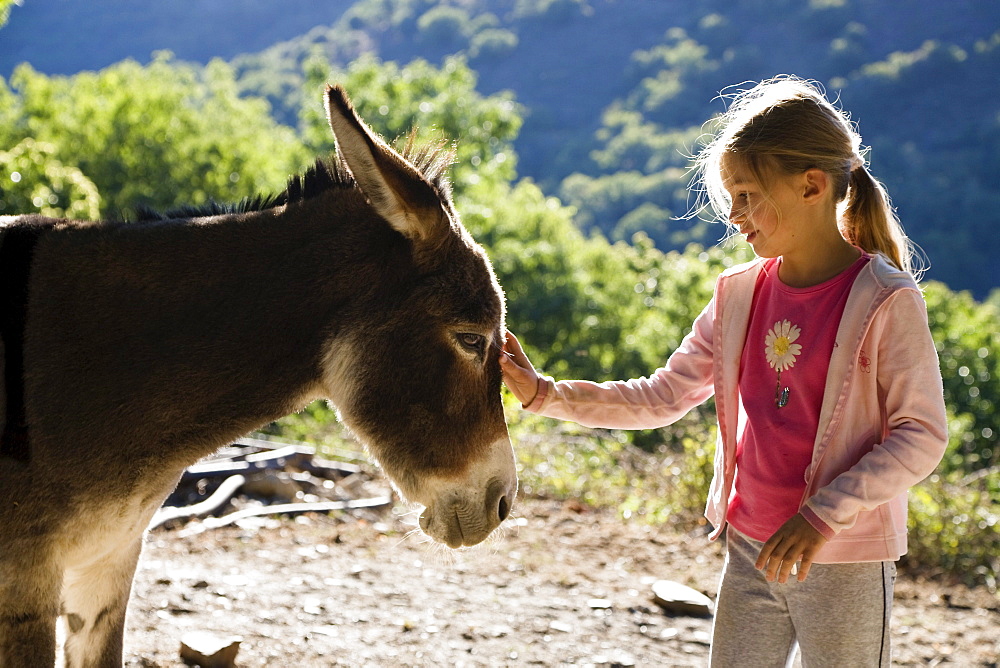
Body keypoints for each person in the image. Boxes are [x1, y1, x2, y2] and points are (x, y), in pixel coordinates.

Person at [500, 77, 947, 667]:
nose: (734, 216)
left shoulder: (886, 301)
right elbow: (661, 396)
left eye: (745, 195)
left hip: (845, 560)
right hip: (749, 551)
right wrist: (546, 395)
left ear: (811, 186)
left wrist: (820, 516)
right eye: (729, 197)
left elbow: (921, 436)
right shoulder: (738, 296)